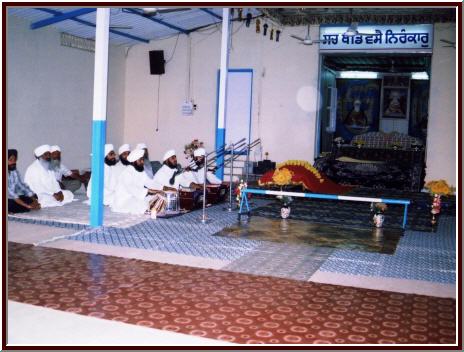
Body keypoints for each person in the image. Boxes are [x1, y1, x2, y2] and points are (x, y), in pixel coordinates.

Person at [111, 149, 165, 215]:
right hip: (124, 200)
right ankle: (151, 211)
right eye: (140, 160)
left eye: (143, 160)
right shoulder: (127, 172)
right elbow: (132, 188)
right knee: (139, 204)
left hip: (136, 197)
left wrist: (163, 188)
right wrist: (149, 191)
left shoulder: (141, 171)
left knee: (157, 197)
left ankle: (152, 210)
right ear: (134, 161)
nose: (142, 162)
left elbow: (150, 183)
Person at [8, 149, 41, 213]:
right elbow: (11, 194)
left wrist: (34, 200)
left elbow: (22, 186)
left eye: (15, 160)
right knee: (12, 204)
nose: (13, 162)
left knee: (31, 197)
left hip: (12, 197)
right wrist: (27, 206)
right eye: (10, 160)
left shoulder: (14, 172)